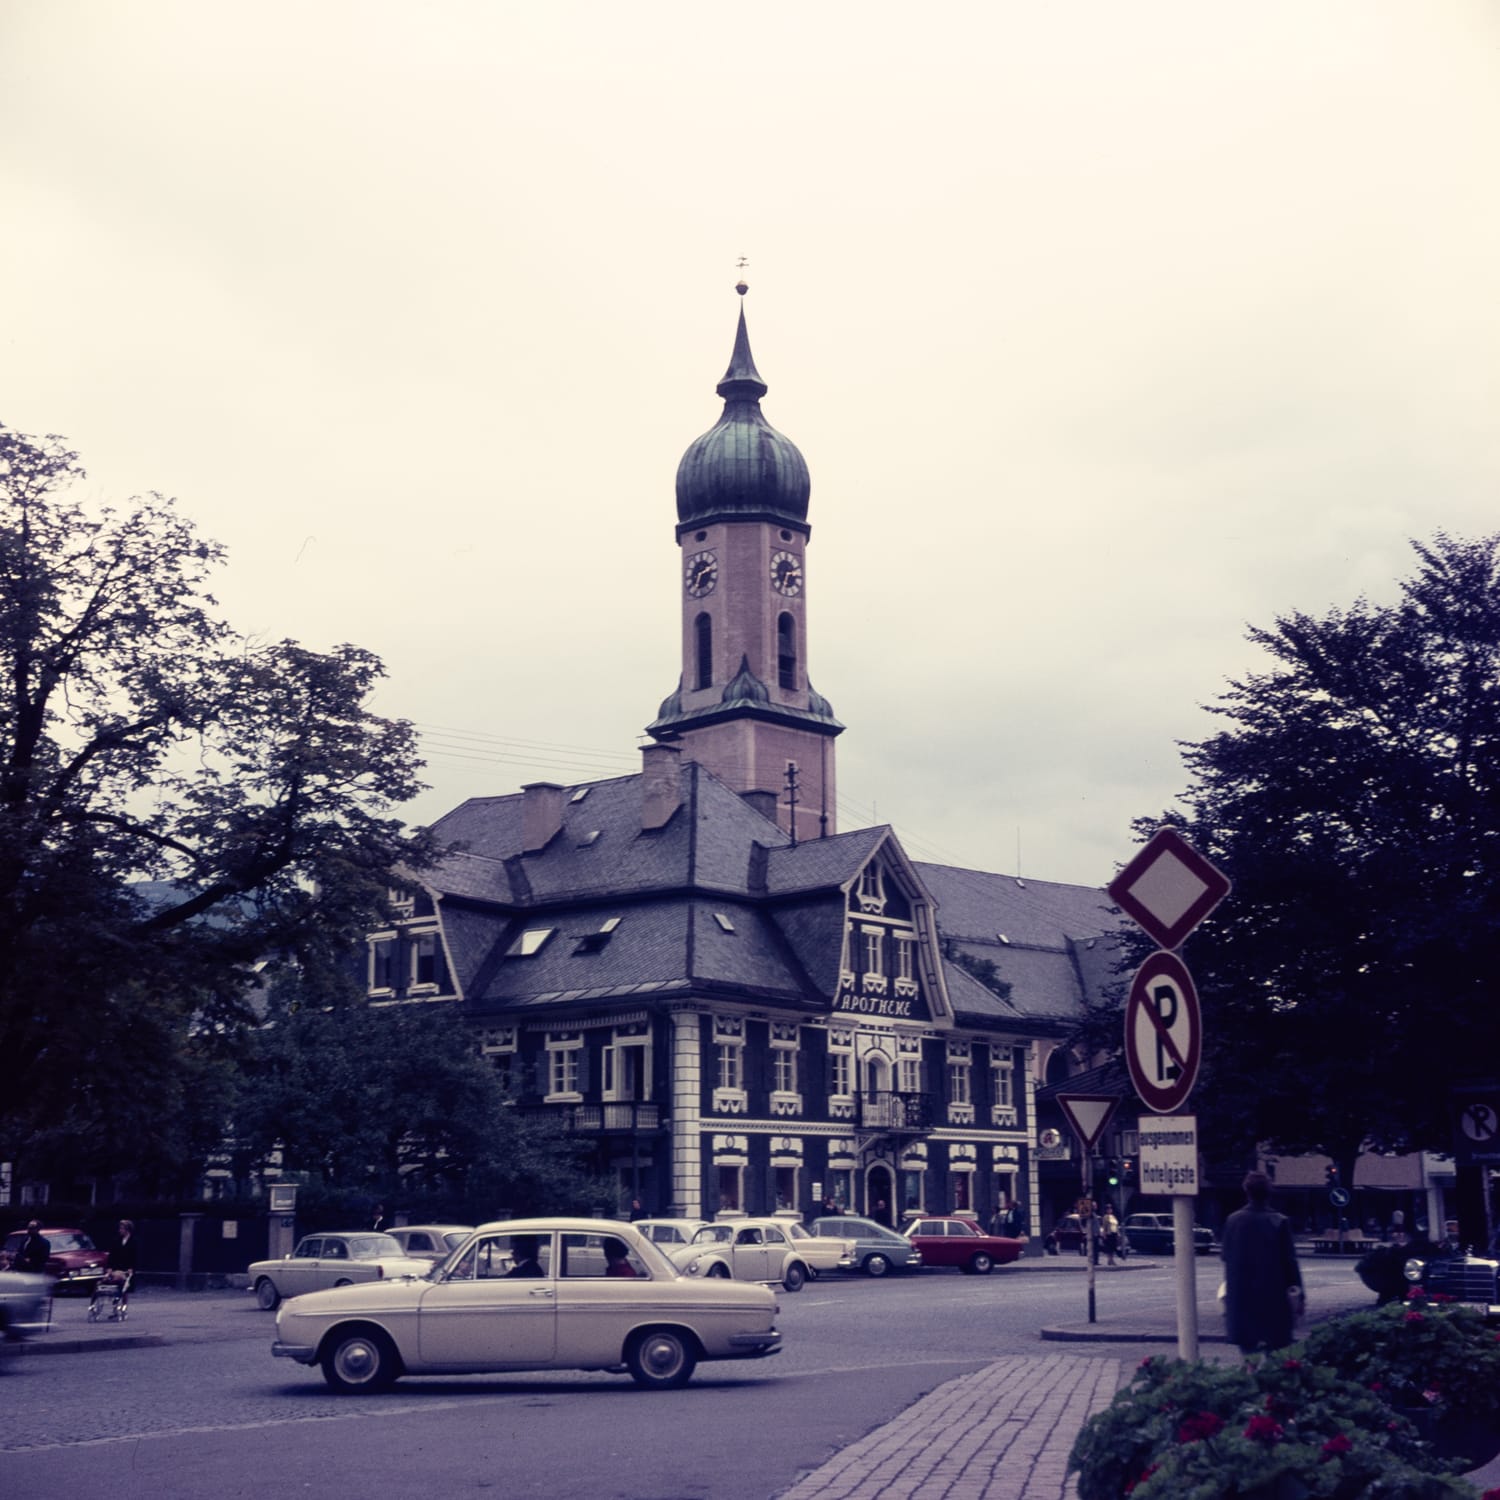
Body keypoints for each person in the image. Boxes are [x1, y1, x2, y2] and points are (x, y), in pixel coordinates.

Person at [1220, 1171, 1303, 1354]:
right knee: (1277, 1357)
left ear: (1246, 1191)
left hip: (1242, 1299)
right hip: (1274, 1299)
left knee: (1249, 1356)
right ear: (1269, 1192)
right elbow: (1290, 1263)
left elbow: (1225, 1256)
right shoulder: (1279, 1222)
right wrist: (1299, 1297)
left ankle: (1251, 1378)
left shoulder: (1233, 1221)